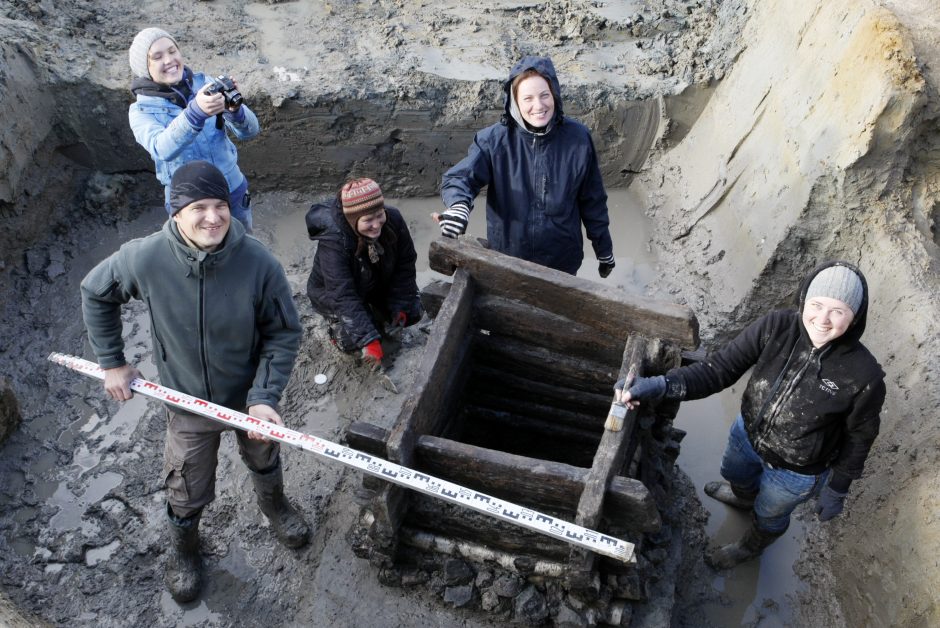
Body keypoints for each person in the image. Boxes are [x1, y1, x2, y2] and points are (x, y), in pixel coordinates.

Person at [80, 161, 309, 603]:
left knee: (264, 456)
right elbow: (96, 291)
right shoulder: (145, 257)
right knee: (185, 485)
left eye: (220, 205)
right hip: (186, 403)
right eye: (198, 207)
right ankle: (185, 548)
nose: (213, 217)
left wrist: (263, 398)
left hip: (249, 402)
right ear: (176, 213)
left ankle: (275, 506)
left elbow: (284, 332)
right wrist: (112, 362)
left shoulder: (258, 263)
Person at [616, 261, 884, 568]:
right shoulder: (776, 326)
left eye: (837, 311)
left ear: (855, 317)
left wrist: (838, 487)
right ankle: (742, 497)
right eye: (817, 304)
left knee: (770, 513)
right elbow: (717, 370)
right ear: (804, 300)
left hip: (796, 472)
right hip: (747, 435)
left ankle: (749, 547)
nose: (822, 319)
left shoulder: (863, 375)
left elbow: (860, 437)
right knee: (734, 473)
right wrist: (661, 385)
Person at [436, 55, 615, 277]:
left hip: (562, 260)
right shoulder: (494, 141)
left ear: (555, 95)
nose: (538, 106)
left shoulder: (578, 139)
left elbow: (593, 200)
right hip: (509, 257)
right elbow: (460, 178)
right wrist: (459, 206)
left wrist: (604, 249)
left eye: (544, 95)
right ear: (515, 102)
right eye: (528, 98)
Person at [128, 27, 259, 231]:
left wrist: (235, 110)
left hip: (231, 188)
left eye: (173, 51)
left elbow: (250, 131)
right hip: (189, 203)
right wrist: (195, 113)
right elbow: (161, 149)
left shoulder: (205, 84)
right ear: (145, 67)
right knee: (200, 256)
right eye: (158, 56)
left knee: (243, 244)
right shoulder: (141, 111)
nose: (169, 60)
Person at [305, 178, 422, 370]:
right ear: (352, 221)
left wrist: (400, 305)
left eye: (379, 215)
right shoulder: (334, 242)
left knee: (412, 311)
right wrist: (369, 340)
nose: (377, 225)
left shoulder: (394, 219)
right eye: (368, 220)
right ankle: (335, 330)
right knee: (352, 341)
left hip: (373, 280)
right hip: (332, 294)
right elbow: (343, 296)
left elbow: (405, 266)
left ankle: (379, 311)